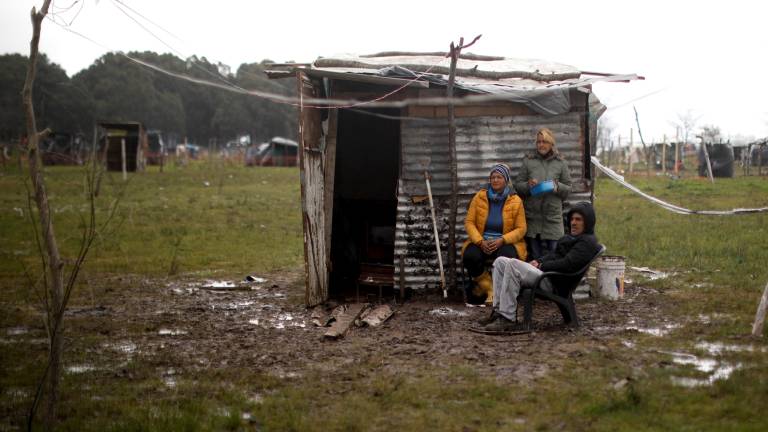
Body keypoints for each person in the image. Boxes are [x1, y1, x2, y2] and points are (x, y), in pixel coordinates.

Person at [476, 203, 599, 332]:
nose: (573, 223)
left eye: (578, 220)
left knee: (512, 265)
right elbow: (555, 255)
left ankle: (507, 318)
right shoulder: (573, 238)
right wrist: (538, 261)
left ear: (588, 222)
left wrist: (542, 265)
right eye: (572, 219)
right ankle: (498, 312)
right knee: (500, 261)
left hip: (554, 281)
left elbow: (567, 264)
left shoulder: (587, 242)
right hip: (548, 275)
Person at [462, 163, 527, 303]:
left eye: (499, 177)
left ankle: (501, 292)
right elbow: (469, 222)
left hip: (505, 241)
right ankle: (488, 286)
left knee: (507, 259)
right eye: (493, 177)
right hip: (482, 240)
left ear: (506, 180)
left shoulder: (516, 201)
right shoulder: (479, 197)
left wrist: (502, 240)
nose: (495, 180)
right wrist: (480, 241)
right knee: (469, 256)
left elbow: (521, 229)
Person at [514, 128, 572, 261]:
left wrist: (556, 186)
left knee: (555, 256)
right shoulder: (529, 161)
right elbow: (518, 186)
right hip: (533, 219)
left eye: (544, 142)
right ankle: (537, 282)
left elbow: (568, 188)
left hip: (553, 218)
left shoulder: (560, 162)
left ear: (551, 143)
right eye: (539, 142)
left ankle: (552, 282)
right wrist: (528, 185)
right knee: (535, 258)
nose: (541, 145)